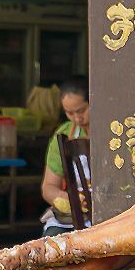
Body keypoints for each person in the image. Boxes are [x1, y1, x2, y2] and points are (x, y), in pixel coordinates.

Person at [40, 75, 90, 236]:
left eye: (82, 110)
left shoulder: (114, 129)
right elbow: (48, 187)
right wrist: (67, 198)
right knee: (51, 244)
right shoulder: (63, 134)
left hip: (108, 214)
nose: (77, 118)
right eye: (70, 113)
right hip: (72, 218)